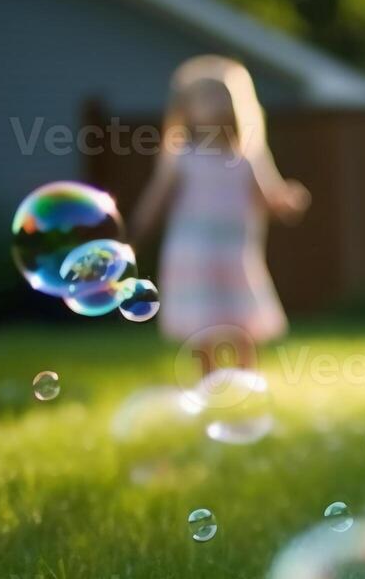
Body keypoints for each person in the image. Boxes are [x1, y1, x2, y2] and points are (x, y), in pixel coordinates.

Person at [133, 55, 310, 374]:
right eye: (207, 96)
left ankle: (247, 383)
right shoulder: (180, 155)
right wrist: (136, 229)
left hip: (235, 251)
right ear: (185, 107)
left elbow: (272, 198)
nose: (218, 103)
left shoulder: (249, 155)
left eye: (224, 95)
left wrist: (290, 201)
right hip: (193, 252)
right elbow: (156, 197)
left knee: (241, 321)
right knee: (202, 325)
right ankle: (208, 382)